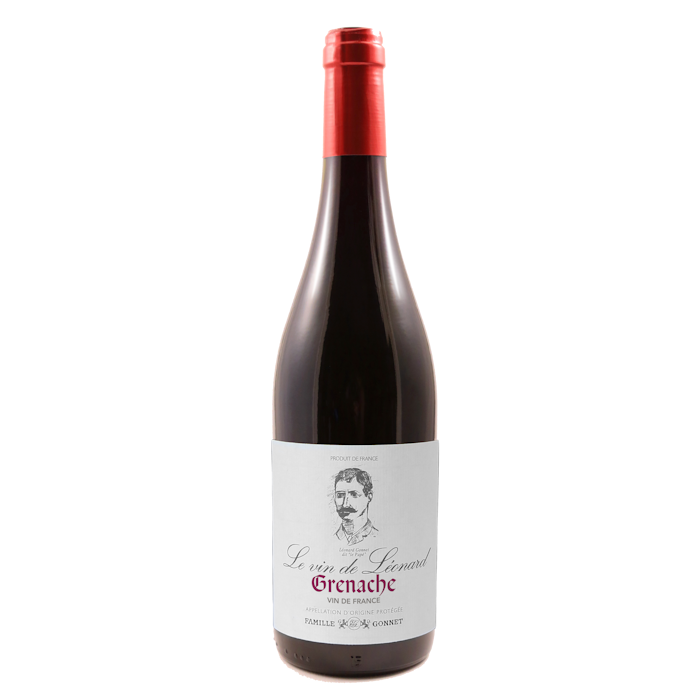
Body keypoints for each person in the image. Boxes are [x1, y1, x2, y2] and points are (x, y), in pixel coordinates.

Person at [333, 468, 378, 546]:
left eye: (354, 494)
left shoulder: (378, 537)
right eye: (340, 495)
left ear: (369, 496)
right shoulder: (330, 539)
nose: (345, 504)